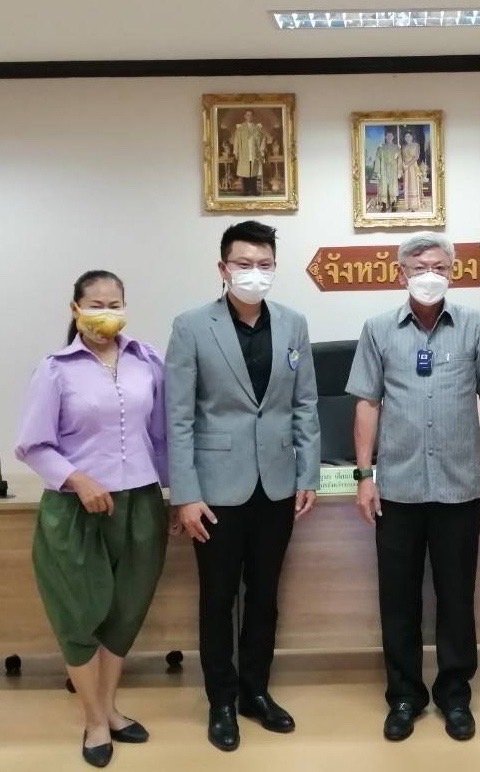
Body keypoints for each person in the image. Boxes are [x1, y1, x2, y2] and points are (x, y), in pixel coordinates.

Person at [346, 232, 480, 743]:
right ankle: (404, 696)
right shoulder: (378, 329)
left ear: (453, 272)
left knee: (457, 598)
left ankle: (455, 696)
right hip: (397, 489)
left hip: (459, 486)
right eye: (418, 267)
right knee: (398, 600)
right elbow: (367, 402)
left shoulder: (477, 325)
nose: (428, 275)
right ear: (401, 274)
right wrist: (364, 475)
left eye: (438, 266)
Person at [165, 220, 321, 752]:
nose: (255, 273)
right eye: (244, 264)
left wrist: (307, 472)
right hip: (215, 490)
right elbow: (178, 417)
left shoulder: (293, 324)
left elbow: (305, 404)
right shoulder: (191, 326)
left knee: (265, 596)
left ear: (275, 267)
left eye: (264, 264)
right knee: (217, 597)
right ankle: (222, 701)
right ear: (223, 268)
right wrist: (186, 494)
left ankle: (256, 691)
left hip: (276, 485)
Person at [15, 270, 170, 768]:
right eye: (96, 304)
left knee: (125, 613)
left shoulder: (148, 362)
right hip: (76, 508)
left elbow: (163, 436)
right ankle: (95, 720)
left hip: (140, 503)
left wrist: (179, 494)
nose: (107, 313)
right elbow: (33, 445)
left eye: (115, 303)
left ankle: (111, 709)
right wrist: (78, 479)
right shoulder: (55, 370)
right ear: (76, 309)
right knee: (80, 615)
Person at [232, 110, 266, 196]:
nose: (249, 116)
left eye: (251, 115)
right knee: (245, 172)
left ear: (253, 116)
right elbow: (236, 141)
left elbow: (263, 139)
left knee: (253, 172)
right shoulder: (240, 129)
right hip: (244, 152)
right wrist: (236, 152)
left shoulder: (257, 128)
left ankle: (254, 190)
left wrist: (262, 151)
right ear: (245, 116)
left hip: (254, 152)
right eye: (247, 115)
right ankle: (246, 190)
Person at [372, 130, 401, 212]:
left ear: (393, 137)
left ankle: (393, 204)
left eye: (391, 136)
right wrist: (378, 172)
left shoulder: (397, 148)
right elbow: (378, 160)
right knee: (383, 187)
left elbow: (399, 160)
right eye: (388, 136)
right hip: (383, 170)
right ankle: (384, 205)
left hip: (393, 170)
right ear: (385, 137)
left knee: (393, 187)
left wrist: (399, 172)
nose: (389, 137)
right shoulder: (381, 148)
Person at [400, 131, 423, 211]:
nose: (408, 138)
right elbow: (402, 157)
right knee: (407, 185)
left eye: (409, 136)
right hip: (406, 168)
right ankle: (408, 205)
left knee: (413, 185)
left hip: (413, 167)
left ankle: (414, 206)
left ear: (412, 137)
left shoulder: (416, 145)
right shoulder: (403, 147)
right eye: (406, 136)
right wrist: (403, 165)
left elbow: (416, 157)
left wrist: (408, 164)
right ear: (404, 138)